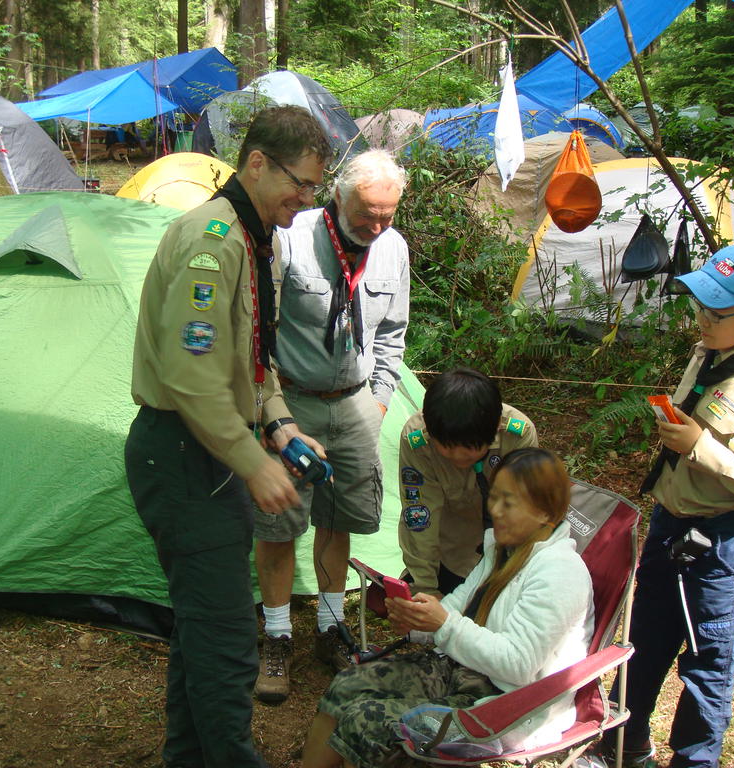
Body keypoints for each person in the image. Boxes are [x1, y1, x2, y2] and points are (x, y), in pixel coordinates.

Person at [123, 105, 332, 768]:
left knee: (203, 628)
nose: (306, 199)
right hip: (185, 453)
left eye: (315, 187)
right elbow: (191, 377)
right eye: (299, 183)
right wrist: (252, 462)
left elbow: (249, 359)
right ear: (258, 163)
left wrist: (280, 423)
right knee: (228, 638)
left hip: (205, 452)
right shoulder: (212, 241)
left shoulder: (252, 236)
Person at [586, 245, 734, 768]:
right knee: (645, 640)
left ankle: (695, 760)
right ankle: (623, 746)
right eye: (701, 306)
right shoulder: (708, 353)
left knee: (706, 661)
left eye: (718, 313)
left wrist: (700, 446)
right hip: (671, 524)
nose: (703, 319)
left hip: (720, 541)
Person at [300, 447, 595, 768]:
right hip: (464, 669)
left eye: (508, 503)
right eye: (494, 497)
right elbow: (458, 606)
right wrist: (418, 622)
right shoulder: (504, 548)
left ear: (545, 514)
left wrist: (443, 624)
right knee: (347, 685)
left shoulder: (560, 573)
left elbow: (518, 665)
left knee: (367, 721)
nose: (494, 510)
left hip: (508, 706)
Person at [253, 149, 410, 703]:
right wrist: (271, 413)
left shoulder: (393, 248)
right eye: (367, 213)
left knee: (339, 518)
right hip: (292, 403)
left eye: (387, 215)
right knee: (278, 523)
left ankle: (329, 627)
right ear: (338, 196)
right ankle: (276, 636)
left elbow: (392, 333)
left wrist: (380, 402)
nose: (376, 226)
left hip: (356, 403)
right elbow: (260, 332)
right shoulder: (291, 238)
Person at [398, 367, 538, 598]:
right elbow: (420, 517)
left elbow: (523, 511)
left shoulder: (517, 436)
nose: (457, 457)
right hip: (452, 551)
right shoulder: (418, 441)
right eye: (446, 447)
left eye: (469, 449)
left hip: (506, 549)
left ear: (494, 429)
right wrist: (425, 587)